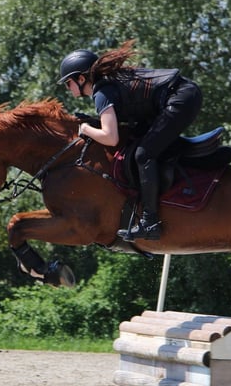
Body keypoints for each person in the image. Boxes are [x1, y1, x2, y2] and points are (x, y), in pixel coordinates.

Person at [58, 39, 202, 241]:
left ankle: (150, 221)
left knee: (144, 155)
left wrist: (86, 129)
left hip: (180, 97)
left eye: (68, 83)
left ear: (81, 79)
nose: (67, 88)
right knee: (139, 143)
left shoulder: (101, 93)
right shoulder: (105, 87)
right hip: (179, 95)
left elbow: (111, 137)